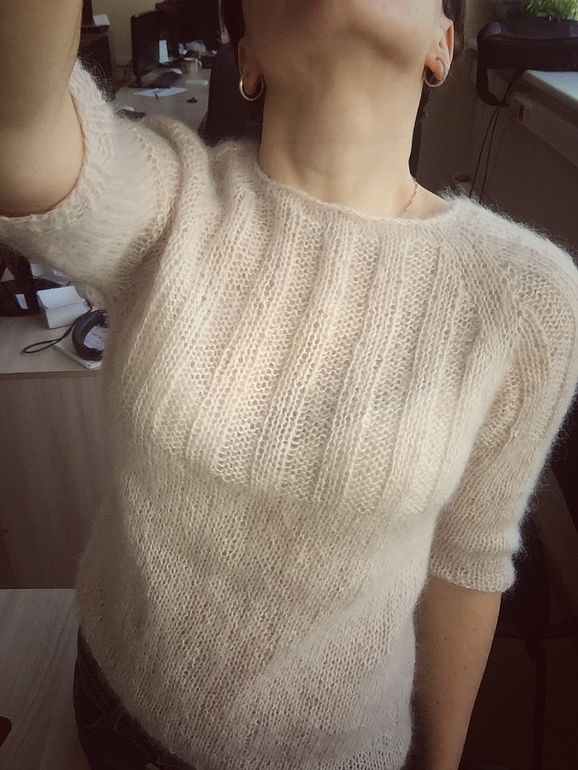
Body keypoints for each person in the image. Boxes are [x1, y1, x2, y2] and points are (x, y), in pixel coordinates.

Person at [1, 2, 577, 770]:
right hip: (117, 716)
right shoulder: (170, 201)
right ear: (248, 61)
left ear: (441, 47)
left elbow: (468, 561)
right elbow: (21, 131)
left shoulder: (526, 298)